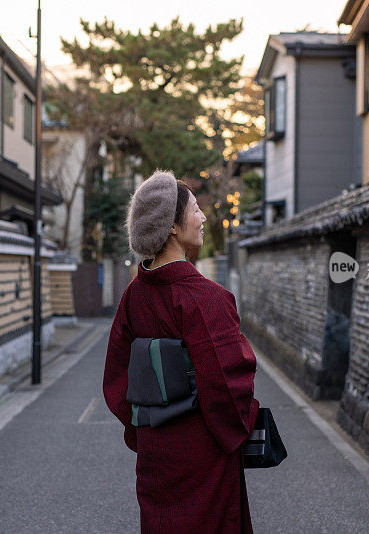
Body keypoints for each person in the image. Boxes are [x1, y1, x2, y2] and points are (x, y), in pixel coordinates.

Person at [103, 170, 260, 533]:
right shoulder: (206, 298)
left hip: (156, 452)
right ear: (172, 226)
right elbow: (225, 381)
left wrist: (143, 430)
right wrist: (245, 420)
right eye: (195, 210)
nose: (203, 217)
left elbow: (117, 377)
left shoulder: (134, 296)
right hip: (202, 452)